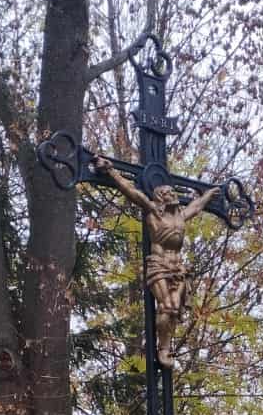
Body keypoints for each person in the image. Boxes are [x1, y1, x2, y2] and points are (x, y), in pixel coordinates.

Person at [91, 155, 219, 369]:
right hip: (159, 266)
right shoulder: (153, 214)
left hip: (178, 269)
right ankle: (163, 350)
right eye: (167, 193)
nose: (172, 194)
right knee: (167, 307)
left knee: (174, 310)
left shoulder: (180, 216)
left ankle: (166, 346)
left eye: (172, 192)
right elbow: (132, 192)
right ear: (160, 197)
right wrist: (111, 171)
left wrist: (209, 194)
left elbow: (196, 207)